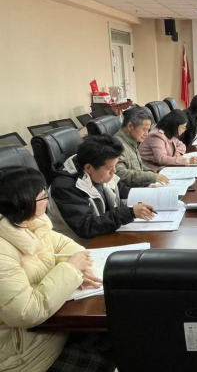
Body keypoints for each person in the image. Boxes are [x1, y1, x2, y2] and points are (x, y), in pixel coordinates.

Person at [0, 167, 109, 372]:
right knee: (105, 359)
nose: (47, 200)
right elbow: (25, 312)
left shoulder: (29, 222)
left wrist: (78, 270)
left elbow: (66, 246)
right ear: (24, 202)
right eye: (43, 196)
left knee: (117, 339)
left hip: (53, 327)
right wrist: (70, 270)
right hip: (25, 355)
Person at [49, 135, 156, 245]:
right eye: (110, 168)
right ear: (88, 168)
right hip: (81, 246)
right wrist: (129, 213)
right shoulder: (64, 187)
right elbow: (86, 226)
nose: (114, 171)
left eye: (115, 166)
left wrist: (151, 191)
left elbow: (123, 191)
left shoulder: (100, 173)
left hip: (106, 235)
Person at [115, 107, 170, 187]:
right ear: (130, 126)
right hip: (131, 191)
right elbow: (120, 174)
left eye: (148, 130)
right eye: (144, 129)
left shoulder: (132, 140)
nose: (146, 134)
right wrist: (150, 177)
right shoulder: (117, 145)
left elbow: (138, 166)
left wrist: (153, 174)